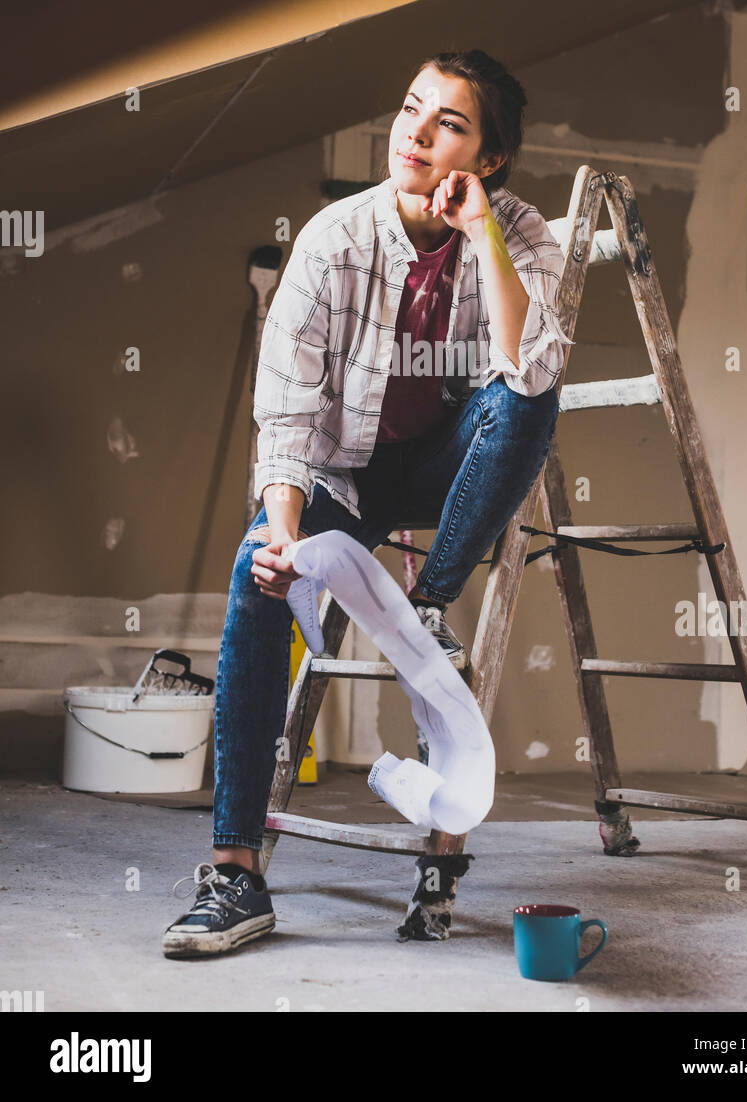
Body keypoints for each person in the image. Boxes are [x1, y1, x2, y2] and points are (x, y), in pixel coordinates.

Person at [162, 48, 574, 957]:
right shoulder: (333, 239)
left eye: (450, 124)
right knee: (255, 577)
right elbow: (287, 416)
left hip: (450, 473)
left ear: (490, 158)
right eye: (409, 108)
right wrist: (280, 535)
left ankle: (431, 606)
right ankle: (237, 877)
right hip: (343, 477)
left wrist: (482, 238)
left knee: (527, 390)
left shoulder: (520, 231)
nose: (416, 134)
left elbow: (532, 368)